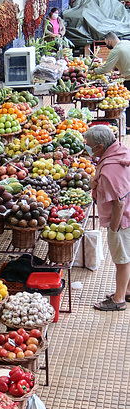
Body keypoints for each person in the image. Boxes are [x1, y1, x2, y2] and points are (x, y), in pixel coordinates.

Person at [83, 125, 130, 311]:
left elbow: (119, 202)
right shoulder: (120, 151)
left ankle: (119, 300)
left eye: (89, 145)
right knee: (126, 255)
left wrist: (114, 227)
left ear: (100, 147)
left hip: (122, 220)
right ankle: (127, 290)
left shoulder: (110, 171)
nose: (87, 147)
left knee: (122, 260)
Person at [95, 32, 130, 133]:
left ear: (110, 41)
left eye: (106, 43)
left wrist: (95, 71)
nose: (106, 45)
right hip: (127, 75)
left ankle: (128, 127)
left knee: (128, 103)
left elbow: (105, 69)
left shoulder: (116, 50)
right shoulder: (126, 42)